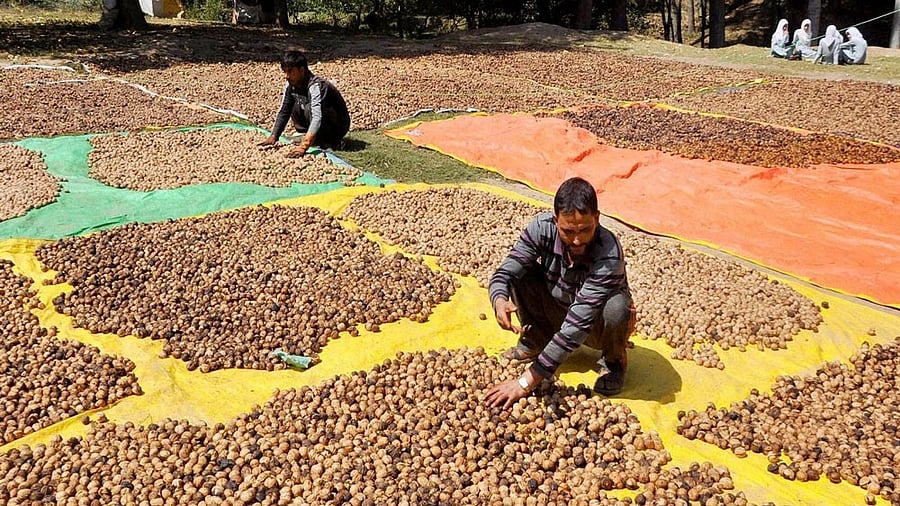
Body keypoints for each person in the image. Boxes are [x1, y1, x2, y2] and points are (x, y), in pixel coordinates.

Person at [484, 177, 636, 409]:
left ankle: (614, 360)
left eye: (585, 230)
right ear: (555, 221)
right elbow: (505, 272)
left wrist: (526, 381)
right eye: (567, 231)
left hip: (594, 326)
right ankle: (535, 340)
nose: (577, 239)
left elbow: (578, 324)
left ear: (597, 218)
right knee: (522, 272)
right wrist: (499, 299)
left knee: (617, 308)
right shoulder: (541, 228)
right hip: (557, 306)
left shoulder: (609, 253)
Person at [258, 50, 351, 157]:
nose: (286, 76)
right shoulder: (291, 85)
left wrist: (304, 147)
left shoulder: (316, 86)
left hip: (337, 126)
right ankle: (312, 136)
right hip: (316, 122)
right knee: (293, 104)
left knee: (309, 107)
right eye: (284, 72)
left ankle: (332, 140)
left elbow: (317, 117)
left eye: (290, 71)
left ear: (301, 70)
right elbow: (284, 111)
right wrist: (274, 136)